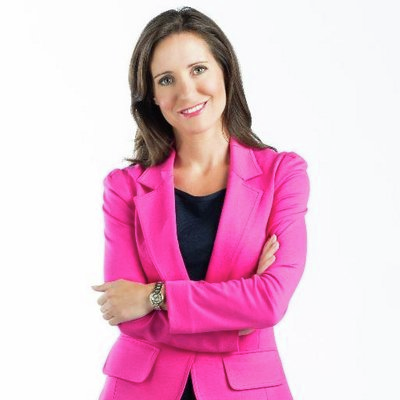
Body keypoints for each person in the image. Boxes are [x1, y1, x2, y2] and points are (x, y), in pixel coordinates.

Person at [92, 6, 310, 400]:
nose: (187, 92)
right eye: (166, 79)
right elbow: (130, 320)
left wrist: (153, 297)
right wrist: (237, 322)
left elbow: (270, 301)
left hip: (247, 389)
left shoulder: (282, 175)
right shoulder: (124, 189)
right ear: (152, 96)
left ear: (225, 70)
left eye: (198, 69)